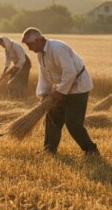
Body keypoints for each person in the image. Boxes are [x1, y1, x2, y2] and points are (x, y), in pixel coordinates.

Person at [22, 28, 99, 157]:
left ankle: (91, 150)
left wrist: (59, 92)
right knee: (52, 119)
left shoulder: (57, 48)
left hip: (78, 87)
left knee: (73, 123)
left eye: (30, 45)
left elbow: (70, 72)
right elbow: (44, 76)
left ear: (39, 40)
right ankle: (49, 150)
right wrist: (44, 95)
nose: (29, 48)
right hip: (62, 87)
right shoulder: (41, 54)